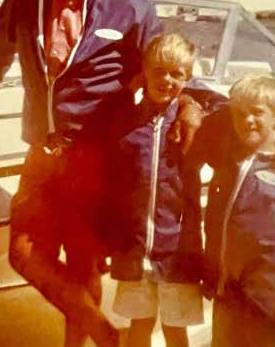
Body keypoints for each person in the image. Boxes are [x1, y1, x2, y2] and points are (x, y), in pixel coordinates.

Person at [0, 0, 202, 347]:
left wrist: (190, 105)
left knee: (82, 265)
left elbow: (166, 69)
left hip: (94, 160)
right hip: (42, 151)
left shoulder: (132, 8)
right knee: (23, 254)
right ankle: (104, 335)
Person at [188, 74, 275, 347]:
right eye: (239, 114)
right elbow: (215, 227)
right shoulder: (227, 160)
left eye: (257, 112)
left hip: (267, 297)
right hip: (227, 291)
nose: (247, 120)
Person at [106, 34, 204, 347]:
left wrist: (191, 105)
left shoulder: (194, 123)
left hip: (177, 250)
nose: (166, 80)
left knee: (175, 329)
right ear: (144, 72)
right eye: (159, 71)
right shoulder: (127, 122)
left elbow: (229, 111)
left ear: (187, 79)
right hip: (135, 249)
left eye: (177, 74)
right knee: (139, 325)